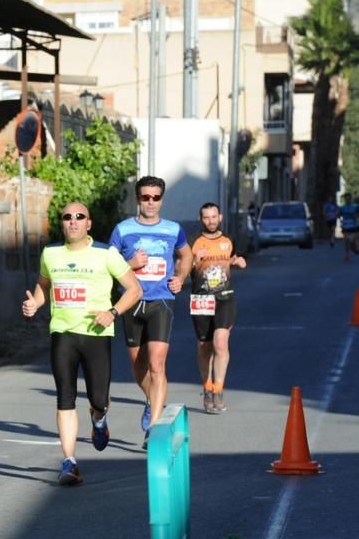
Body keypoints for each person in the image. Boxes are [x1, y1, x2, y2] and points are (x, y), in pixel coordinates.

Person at [22, 202, 142, 485]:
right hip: (62, 332)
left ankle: (99, 417)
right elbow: (44, 284)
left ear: (89, 223)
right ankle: (69, 462)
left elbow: (135, 289)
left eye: (79, 217)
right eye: (67, 217)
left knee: (98, 398)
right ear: (62, 223)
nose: (73, 221)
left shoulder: (106, 253)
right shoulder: (50, 253)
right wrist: (35, 304)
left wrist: (112, 312)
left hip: (96, 334)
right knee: (65, 395)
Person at [109, 176, 193, 446]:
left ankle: (155, 429)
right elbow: (108, 264)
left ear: (162, 200)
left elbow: (186, 255)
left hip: (161, 302)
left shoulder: (173, 229)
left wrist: (181, 276)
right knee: (138, 367)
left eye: (156, 197)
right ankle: (151, 399)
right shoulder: (123, 230)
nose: (151, 202)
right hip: (131, 303)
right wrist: (129, 263)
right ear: (138, 199)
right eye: (145, 197)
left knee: (157, 365)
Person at [189, 203, 246, 414]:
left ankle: (218, 390)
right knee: (204, 347)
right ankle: (207, 387)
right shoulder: (194, 242)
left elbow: (235, 258)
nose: (211, 221)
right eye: (206, 217)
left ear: (220, 217)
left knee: (221, 343)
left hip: (224, 298)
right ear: (200, 219)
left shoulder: (228, 240)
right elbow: (182, 268)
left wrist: (238, 261)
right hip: (201, 299)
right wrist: (195, 259)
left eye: (214, 217)